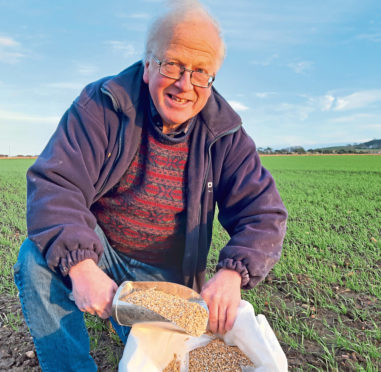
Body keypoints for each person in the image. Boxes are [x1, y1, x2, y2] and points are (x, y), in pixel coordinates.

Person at [14, 1, 287, 371]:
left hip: (164, 283)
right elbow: (56, 184)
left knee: (164, 358)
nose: (184, 84)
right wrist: (81, 265)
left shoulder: (225, 135)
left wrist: (231, 272)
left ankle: (138, 328)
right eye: (173, 64)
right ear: (147, 65)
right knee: (34, 260)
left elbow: (263, 212)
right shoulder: (102, 106)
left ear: (211, 79)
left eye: (201, 72)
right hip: (99, 253)